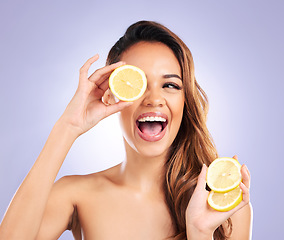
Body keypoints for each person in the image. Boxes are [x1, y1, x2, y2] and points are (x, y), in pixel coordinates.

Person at [0, 20, 252, 240]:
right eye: (138, 83)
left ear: (186, 101)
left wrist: (200, 234)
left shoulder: (223, 204)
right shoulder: (76, 195)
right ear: (113, 95)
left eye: (170, 85)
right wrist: (68, 126)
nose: (154, 99)